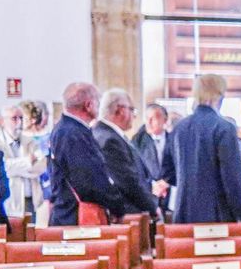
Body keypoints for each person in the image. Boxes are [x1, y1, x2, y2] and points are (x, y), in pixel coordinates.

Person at [163, 74, 241, 224]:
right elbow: (231, 179)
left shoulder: (179, 128)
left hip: (183, 213)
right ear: (220, 96)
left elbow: (167, 172)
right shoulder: (224, 128)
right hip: (217, 215)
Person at [46, 82, 125, 226]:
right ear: (88, 105)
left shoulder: (66, 129)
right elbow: (89, 179)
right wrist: (117, 206)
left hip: (68, 213)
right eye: (98, 101)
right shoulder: (72, 133)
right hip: (75, 217)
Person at [92, 88, 158, 219]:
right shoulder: (109, 139)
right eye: (132, 110)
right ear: (120, 110)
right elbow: (128, 182)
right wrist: (152, 207)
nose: (134, 115)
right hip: (128, 215)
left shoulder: (106, 134)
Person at [0, 103, 43, 221]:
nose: (19, 122)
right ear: (2, 121)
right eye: (14, 118)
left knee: (30, 236)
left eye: (21, 118)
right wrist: (27, 162)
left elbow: (40, 167)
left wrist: (14, 167)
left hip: (29, 201)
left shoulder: (30, 141)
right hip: (6, 203)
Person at [134, 102, 174, 218]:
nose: (149, 122)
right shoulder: (138, 141)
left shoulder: (174, 139)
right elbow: (136, 167)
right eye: (147, 118)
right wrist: (153, 184)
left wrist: (166, 183)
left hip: (169, 192)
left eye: (154, 118)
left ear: (164, 120)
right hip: (148, 192)